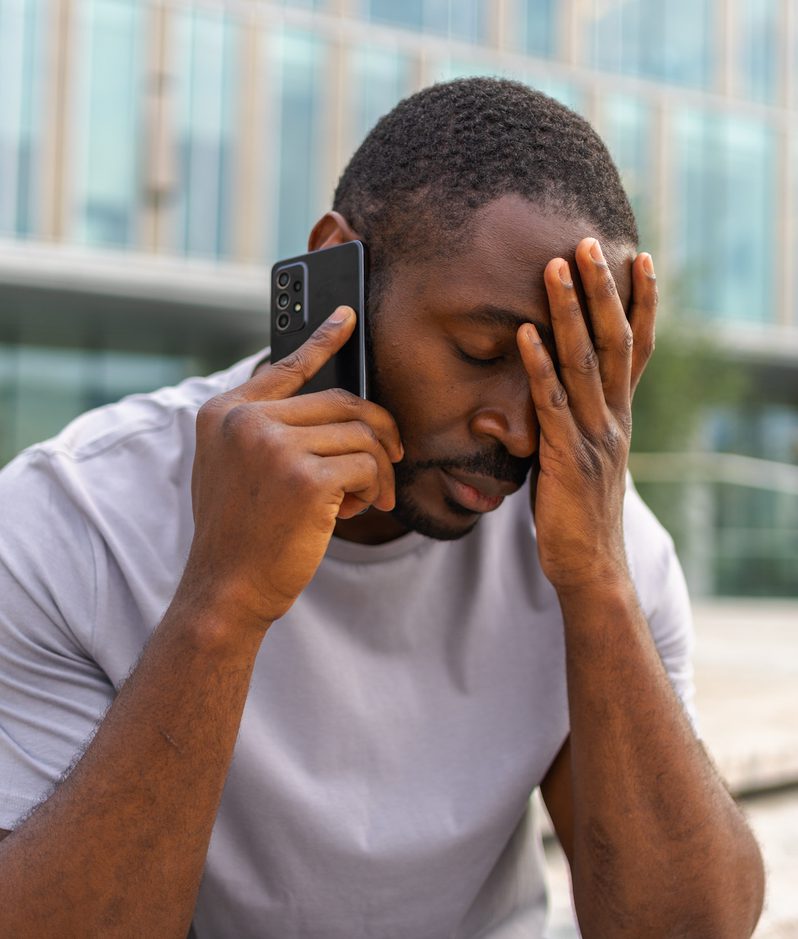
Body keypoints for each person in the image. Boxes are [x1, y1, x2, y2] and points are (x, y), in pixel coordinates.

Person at [0, 78, 763, 938]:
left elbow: (691, 929)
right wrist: (224, 600)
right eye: (480, 351)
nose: (516, 426)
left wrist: (598, 588)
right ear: (342, 270)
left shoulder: (595, 541)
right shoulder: (73, 520)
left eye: (567, 374)